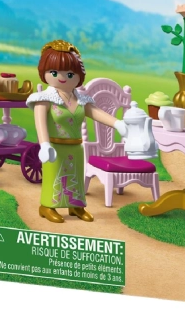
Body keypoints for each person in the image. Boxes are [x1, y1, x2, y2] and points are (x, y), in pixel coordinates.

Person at [27, 40, 128, 223]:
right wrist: (44, 145)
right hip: (54, 148)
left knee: (76, 178)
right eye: (54, 72)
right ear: (44, 72)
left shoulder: (81, 100)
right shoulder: (44, 99)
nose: (62, 77)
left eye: (70, 74)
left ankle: (76, 206)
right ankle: (47, 206)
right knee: (54, 177)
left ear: (78, 75)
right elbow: (40, 123)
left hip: (76, 147)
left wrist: (117, 123)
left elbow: (96, 113)